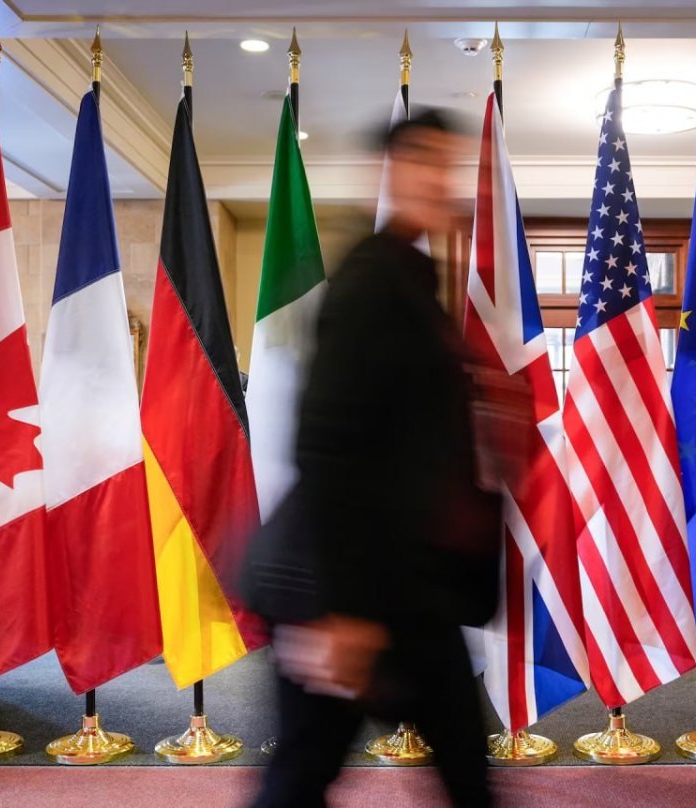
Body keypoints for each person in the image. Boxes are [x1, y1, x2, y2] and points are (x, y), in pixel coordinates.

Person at [251, 109, 501, 808]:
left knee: (466, 768)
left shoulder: (414, 278)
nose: (438, 178)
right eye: (422, 160)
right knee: (301, 774)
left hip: (410, 587)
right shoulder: (369, 281)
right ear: (385, 173)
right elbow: (326, 444)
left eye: (447, 164)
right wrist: (342, 611)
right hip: (346, 591)